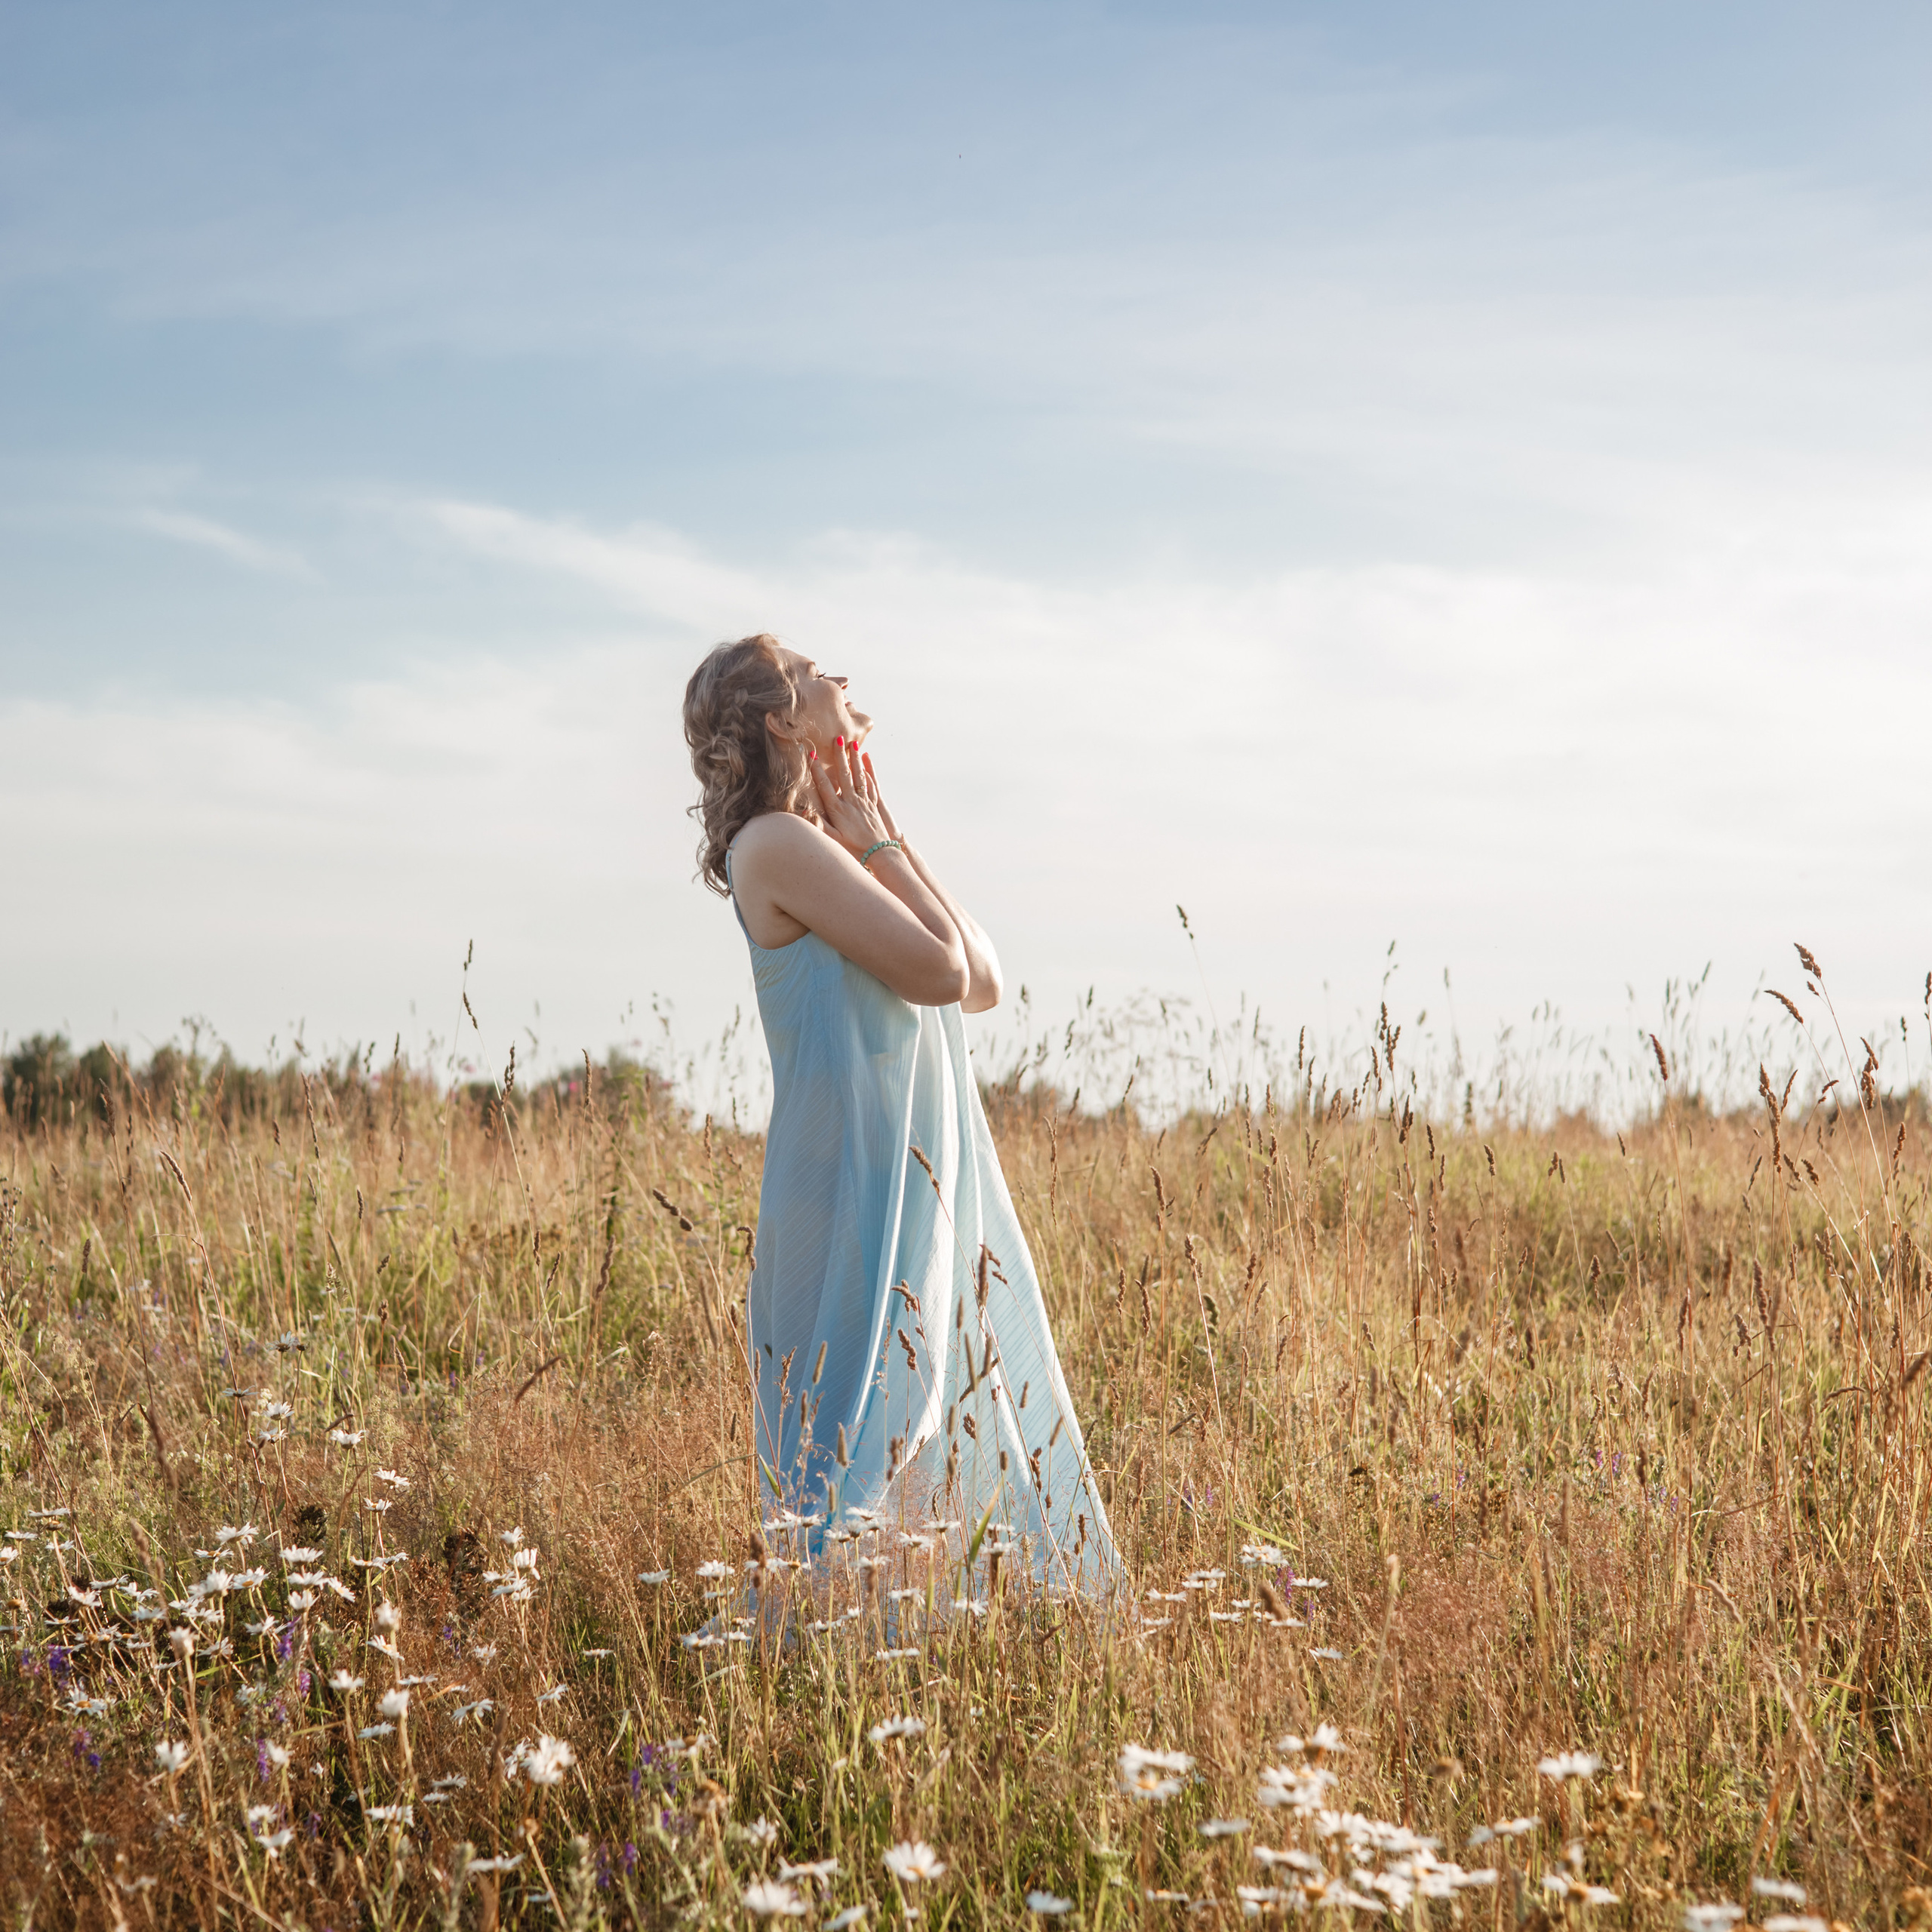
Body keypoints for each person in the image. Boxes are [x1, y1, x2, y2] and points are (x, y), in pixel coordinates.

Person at [683, 633, 1119, 1595]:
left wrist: (882, 831)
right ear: (783, 721)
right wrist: (873, 838)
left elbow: (983, 983)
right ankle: (815, 1672)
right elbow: (940, 969)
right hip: (846, 1190)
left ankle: (925, 1642)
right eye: (813, 673)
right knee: (852, 1440)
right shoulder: (776, 844)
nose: (841, 679)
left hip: (900, 1173)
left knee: (921, 1416)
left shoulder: (828, 840)